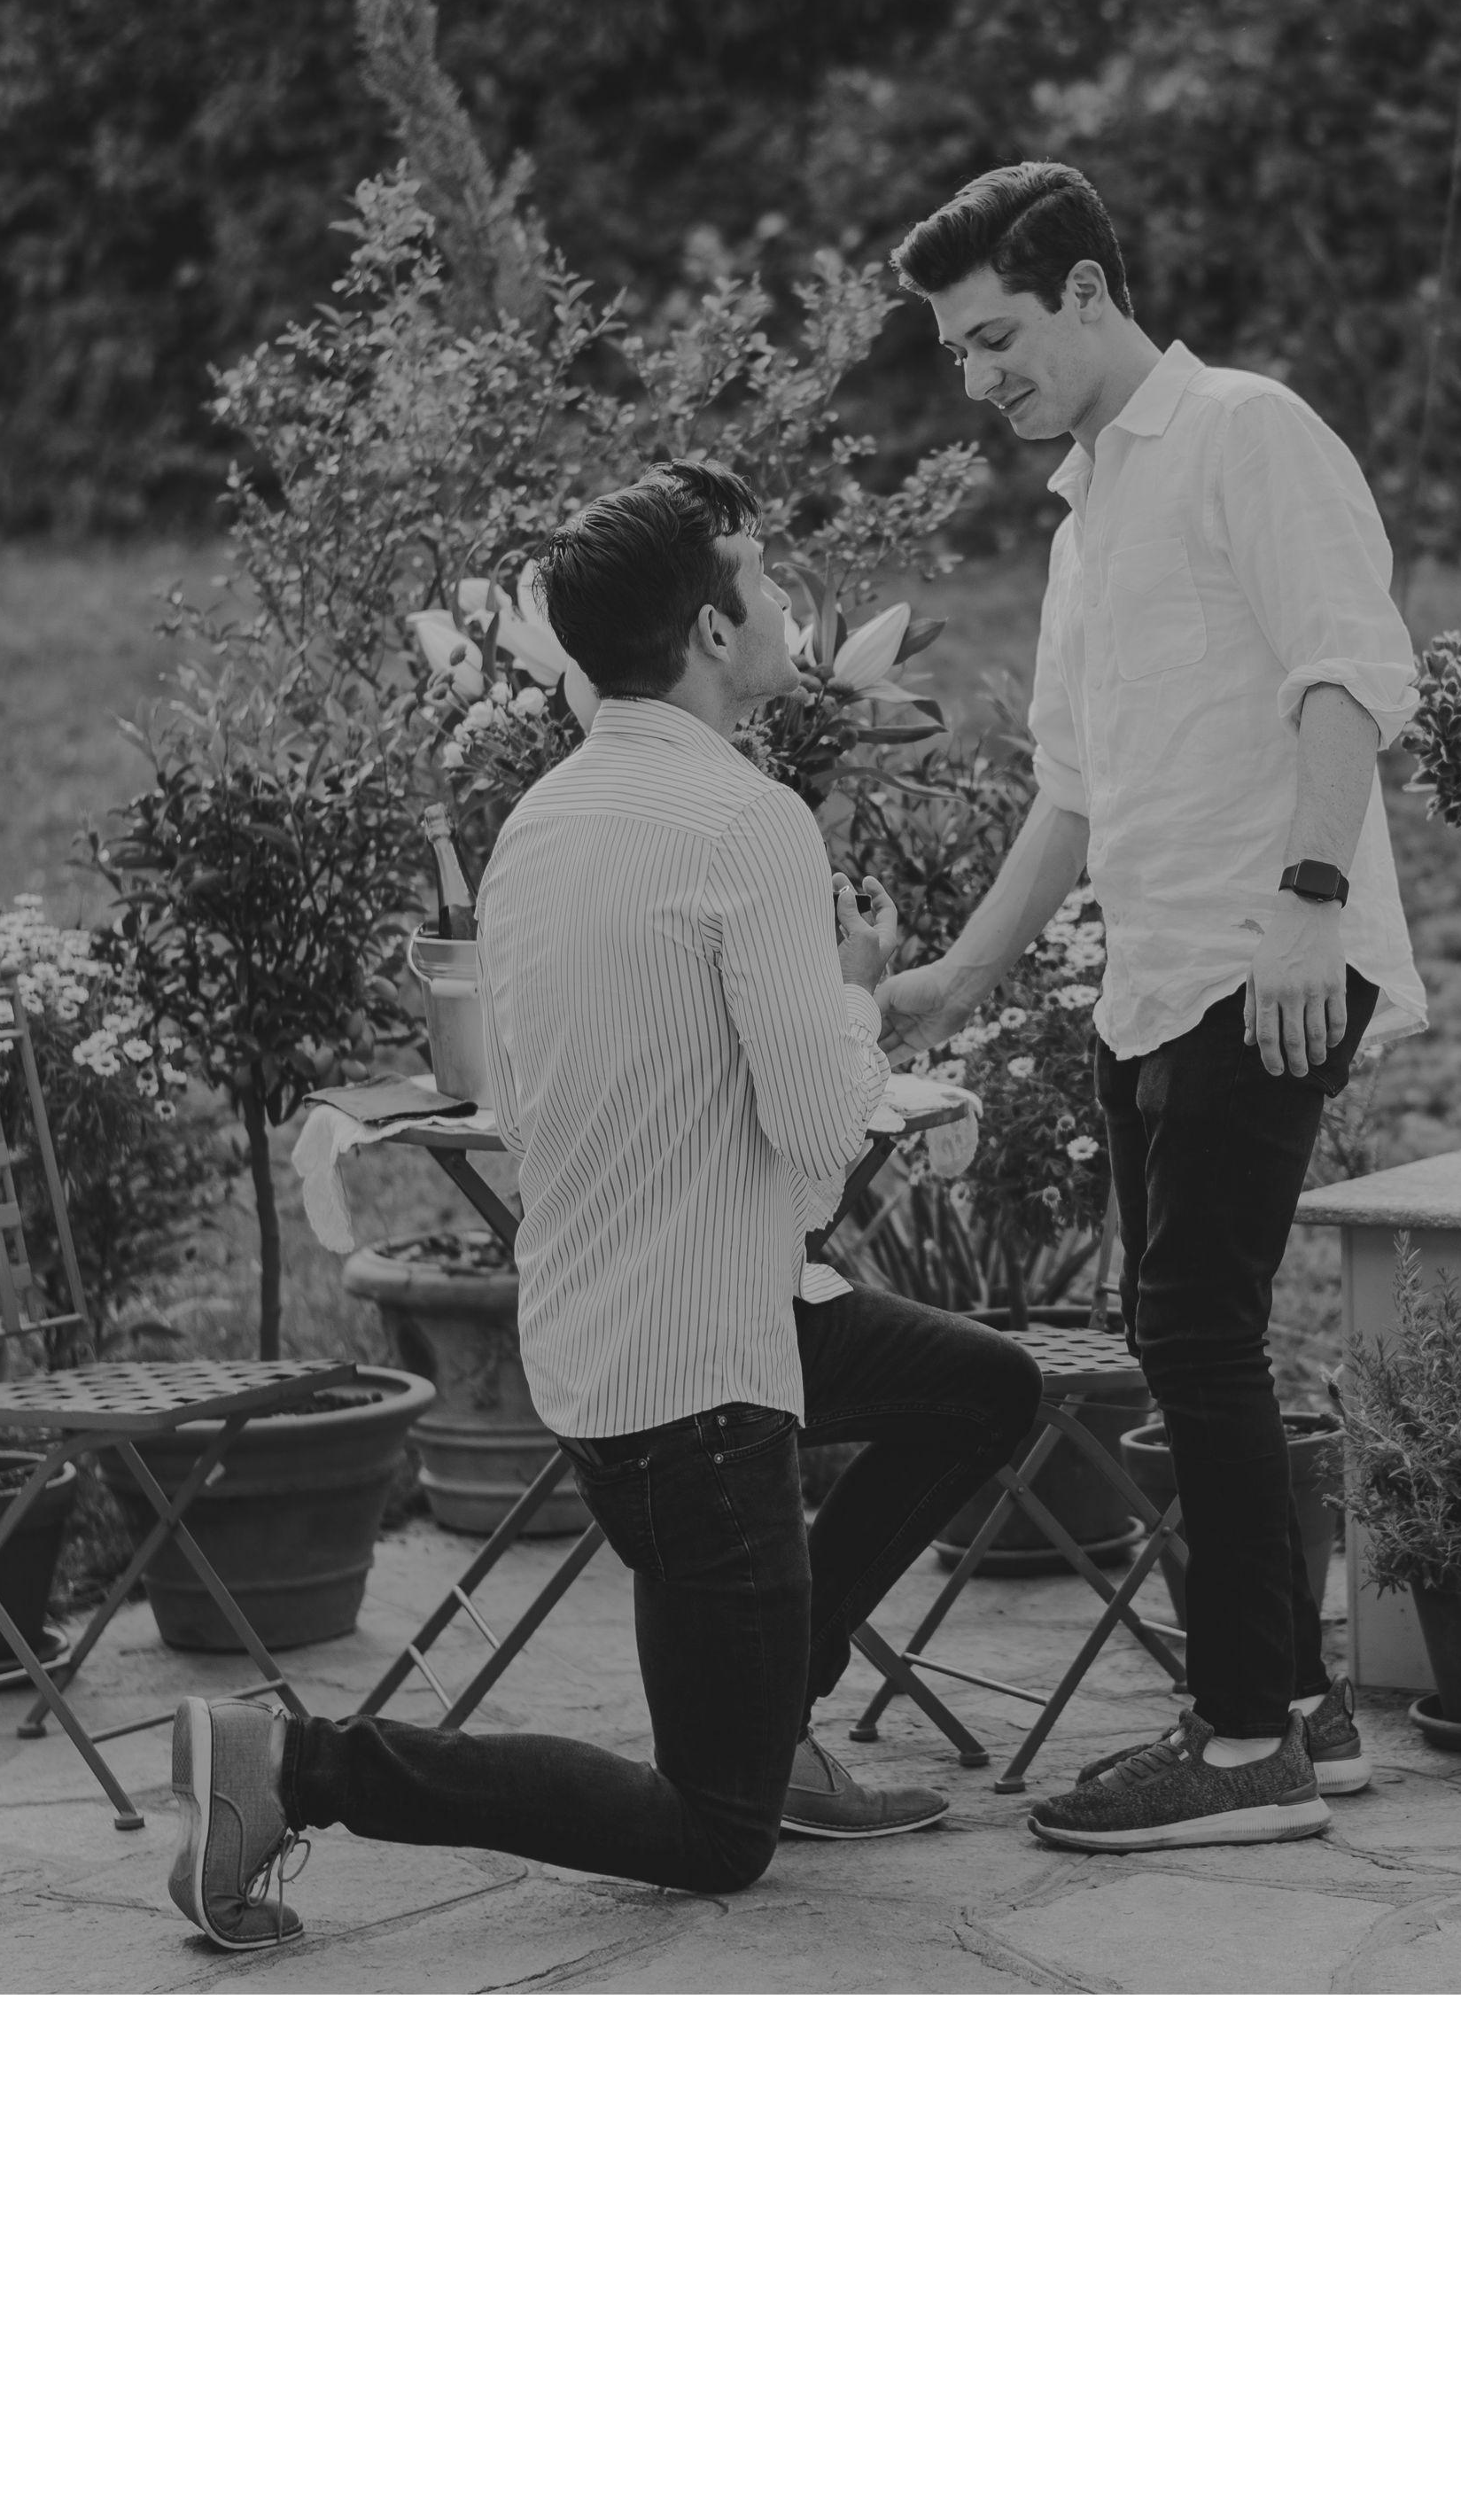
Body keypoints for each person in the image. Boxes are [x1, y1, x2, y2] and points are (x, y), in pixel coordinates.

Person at [168, 460, 1043, 1950]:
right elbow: (821, 1137)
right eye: (763, 578)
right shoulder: (748, 823)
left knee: (982, 1388)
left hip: (626, 1336)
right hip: (697, 1395)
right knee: (714, 1836)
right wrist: (850, 994)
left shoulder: (543, 818)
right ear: (712, 631)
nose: (785, 602)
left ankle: (776, 1695)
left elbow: (527, 1097)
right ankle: (295, 1766)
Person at [882, 161, 1430, 1855]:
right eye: (958, 354)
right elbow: (1074, 789)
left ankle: (1245, 1740)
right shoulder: (1089, 518)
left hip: (1266, 956)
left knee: (1195, 1334)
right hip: (1155, 978)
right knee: (1188, 1338)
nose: (977, 381)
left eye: (996, 338)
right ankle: (1299, 1714)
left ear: (1089, 291)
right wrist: (961, 977)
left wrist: (1309, 906)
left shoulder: (1249, 434)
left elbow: (1350, 670)